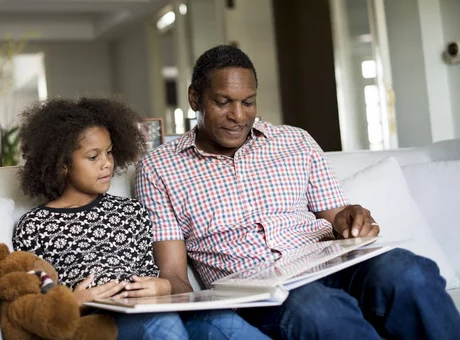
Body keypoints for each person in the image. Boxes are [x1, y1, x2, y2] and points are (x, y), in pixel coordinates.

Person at [135, 45, 460, 340]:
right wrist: (178, 303)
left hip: (331, 263)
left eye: (248, 102)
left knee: (408, 271)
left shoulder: (295, 141)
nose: (238, 116)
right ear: (195, 98)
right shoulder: (159, 167)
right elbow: (175, 274)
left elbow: (337, 216)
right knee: (318, 309)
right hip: (258, 289)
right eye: (223, 102)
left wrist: (353, 220)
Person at [13, 97, 269, 340]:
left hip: (149, 308)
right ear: (61, 164)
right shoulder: (34, 225)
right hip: (97, 321)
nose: (106, 164)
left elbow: (152, 274)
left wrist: (163, 288)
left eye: (110, 153)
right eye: (93, 157)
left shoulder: (132, 212)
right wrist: (74, 302)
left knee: (219, 319)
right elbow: (38, 298)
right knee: (163, 325)